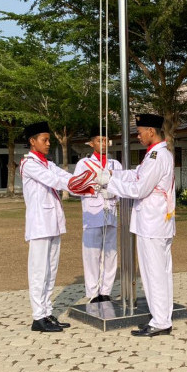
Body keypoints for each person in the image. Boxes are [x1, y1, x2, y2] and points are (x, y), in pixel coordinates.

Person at [96, 113, 176, 337]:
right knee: (159, 272)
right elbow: (136, 175)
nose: (138, 136)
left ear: (151, 131)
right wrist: (114, 174)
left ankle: (160, 321)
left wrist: (109, 182)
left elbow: (140, 188)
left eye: (140, 132)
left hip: (153, 223)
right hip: (155, 222)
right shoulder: (155, 154)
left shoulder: (157, 156)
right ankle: (162, 317)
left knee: (154, 273)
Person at [20, 121, 84, 333]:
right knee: (39, 271)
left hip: (53, 224)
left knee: (51, 270)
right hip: (39, 225)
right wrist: (80, 186)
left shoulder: (46, 162)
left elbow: (65, 175)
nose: (48, 143)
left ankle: (47, 313)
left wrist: (86, 181)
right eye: (44, 140)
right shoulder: (29, 164)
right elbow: (54, 181)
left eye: (49, 140)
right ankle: (38, 317)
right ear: (32, 141)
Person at [74, 126, 122, 303]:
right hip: (93, 212)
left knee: (110, 253)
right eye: (99, 140)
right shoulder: (83, 164)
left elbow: (121, 184)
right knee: (92, 254)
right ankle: (93, 292)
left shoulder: (115, 164)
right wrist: (95, 187)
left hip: (110, 211)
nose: (103, 144)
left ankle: (106, 290)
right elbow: (76, 188)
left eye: (105, 140)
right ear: (91, 143)